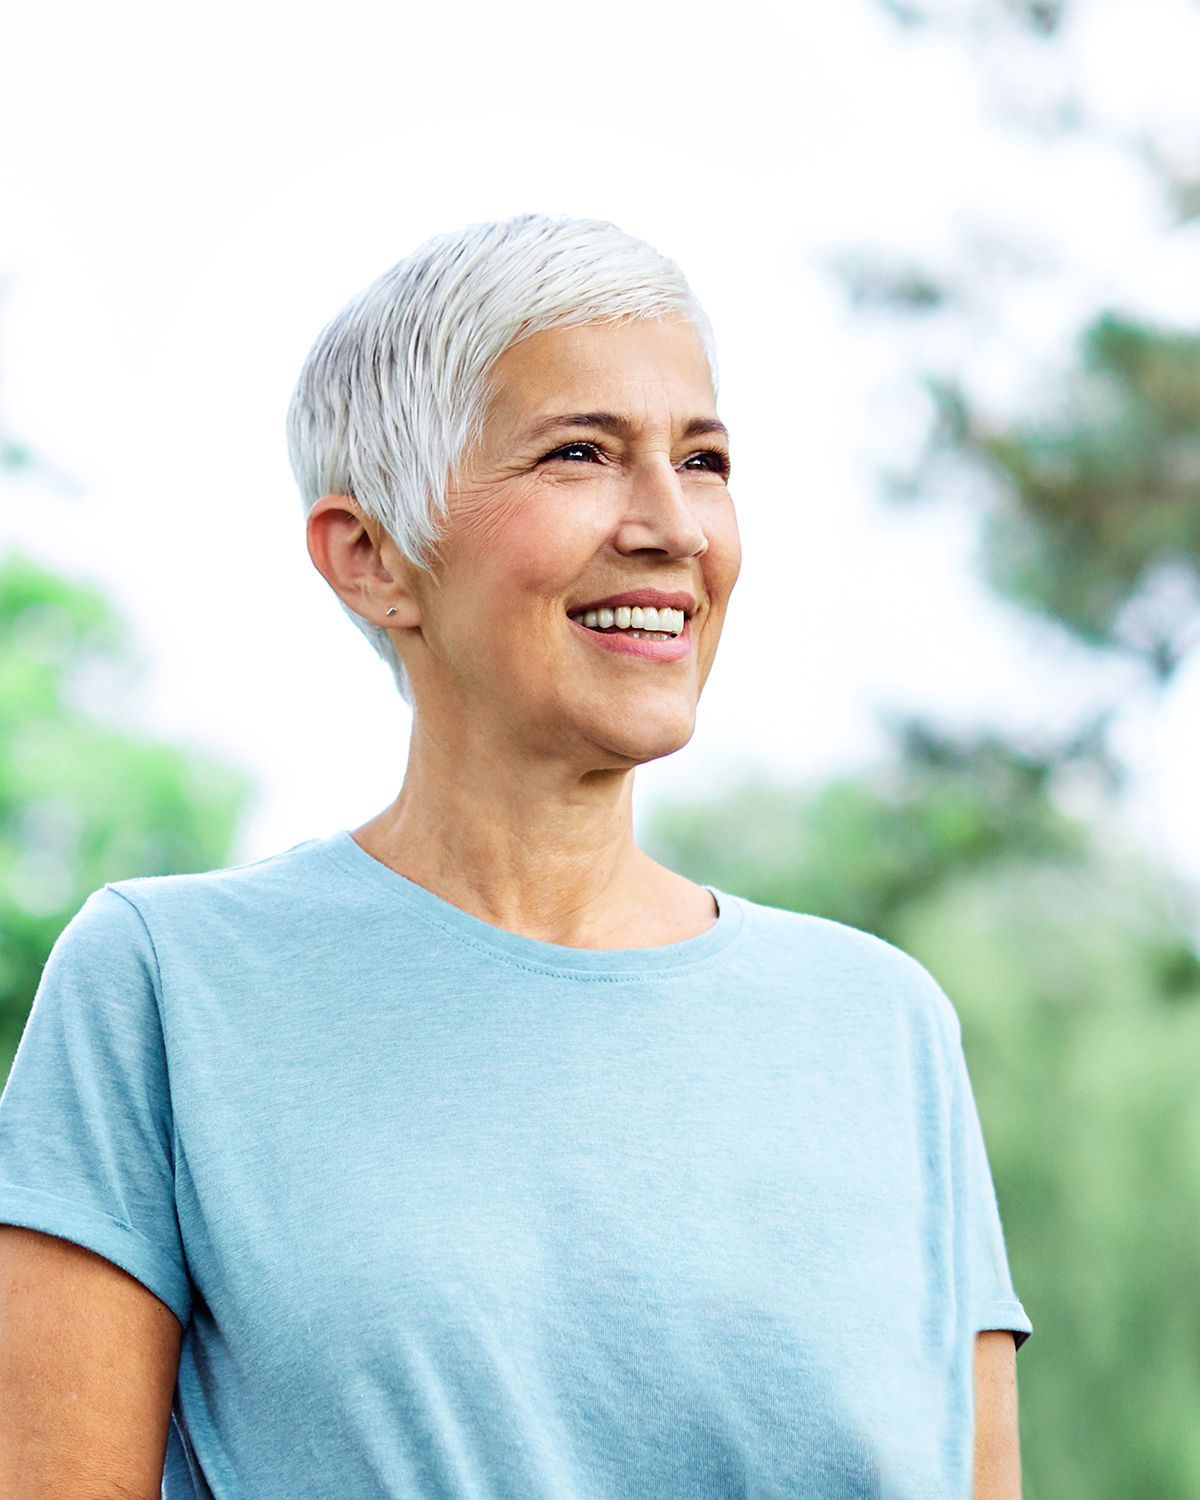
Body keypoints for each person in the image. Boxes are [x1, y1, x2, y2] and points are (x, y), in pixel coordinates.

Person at [0, 212, 1031, 1499]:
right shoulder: (165, 987)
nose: (672, 525)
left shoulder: (883, 1027)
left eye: (703, 458)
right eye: (581, 453)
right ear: (372, 558)